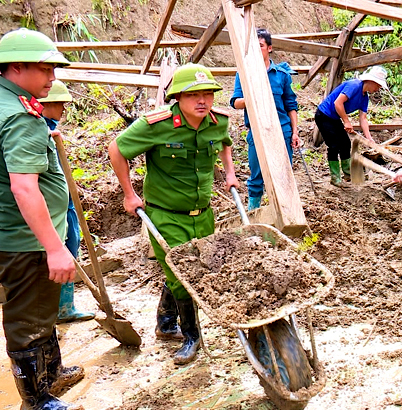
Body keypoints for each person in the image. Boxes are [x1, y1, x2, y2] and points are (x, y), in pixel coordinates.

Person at [108, 63, 239, 365]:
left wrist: (229, 173)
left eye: (207, 93)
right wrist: (130, 194)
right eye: (194, 95)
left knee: (196, 267)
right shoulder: (156, 125)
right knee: (183, 274)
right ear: (177, 97)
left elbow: (225, 144)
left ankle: (165, 324)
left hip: (203, 214)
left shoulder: (217, 122)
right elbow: (116, 149)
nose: (203, 101)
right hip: (166, 215)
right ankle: (192, 336)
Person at [0, 28, 84, 410]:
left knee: (42, 310)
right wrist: (55, 248)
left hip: (16, 234)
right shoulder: (19, 116)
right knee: (29, 322)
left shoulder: (9, 104)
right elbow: (24, 188)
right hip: (26, 239)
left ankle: (53, 373)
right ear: (15, 67)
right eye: (46, 69)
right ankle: (38, 400)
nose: (53, 78)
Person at [38, 80, 96, 324]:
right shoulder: (35, 129)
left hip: (66, 205)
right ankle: (52, 309)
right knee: (57, 254)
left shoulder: (51, 128)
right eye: (60, 103)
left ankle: (65, 307)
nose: (64, 108)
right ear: (46, 104)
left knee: (72, 246)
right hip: (49, 209)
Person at [230, 28, 300, 211]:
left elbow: (291, 105)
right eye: (253, 47)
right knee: (257, 174)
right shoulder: (244, 74)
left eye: (260, 46)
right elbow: (235, 102)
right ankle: (254, 210)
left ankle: (286, 211)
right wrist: (252, 97)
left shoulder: (282, 75)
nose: (257, 49)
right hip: (257, 130)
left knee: (284, 173)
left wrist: (295, 132)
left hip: (282, 129)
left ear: (269, 48)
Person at [315, 65, 388, 187]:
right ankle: (335, 178)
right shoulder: (354, 85)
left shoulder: (365, 98)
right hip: (324, 115)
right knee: (334, 146)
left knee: (345, 144)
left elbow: (363, 118)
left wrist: (369, 138)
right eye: (378, 85)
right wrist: (346, 121)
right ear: (371, 81)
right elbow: (338, 103)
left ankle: (348, 173)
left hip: (334, 118)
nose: (378, 88)